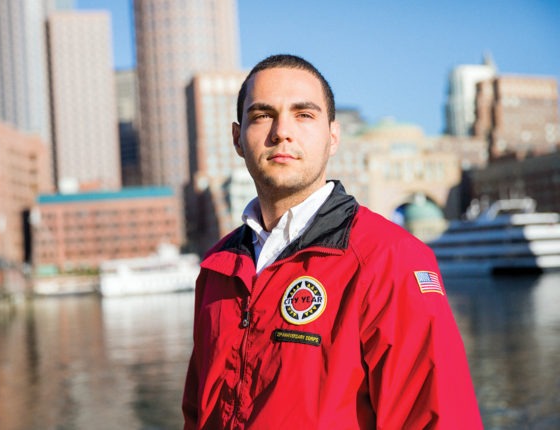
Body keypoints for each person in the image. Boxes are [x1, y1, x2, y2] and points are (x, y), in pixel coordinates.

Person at [182, 54, 482, 429]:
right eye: (262, 115)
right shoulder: (218, 266)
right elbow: (197, 413)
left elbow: (439, 418)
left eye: (303, 115)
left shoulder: (391, 258)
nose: (281, 131)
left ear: (333, 137)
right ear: (237, 138)